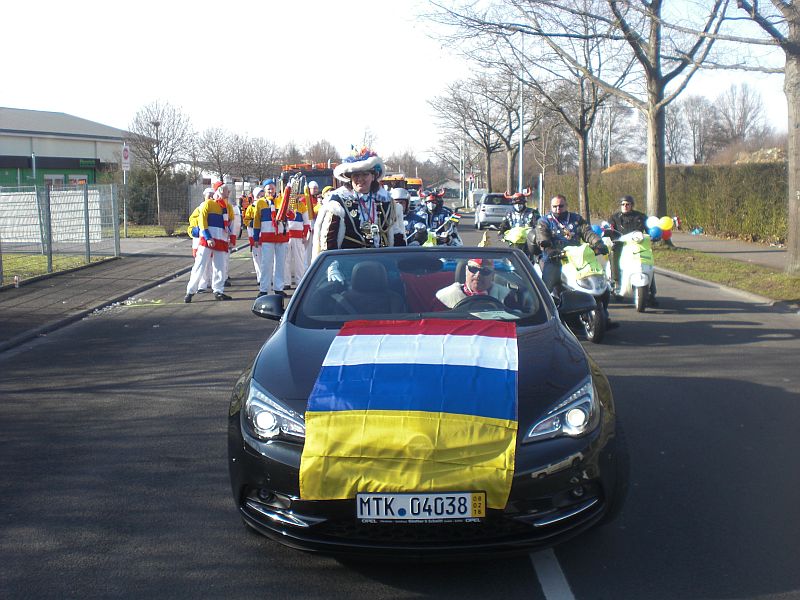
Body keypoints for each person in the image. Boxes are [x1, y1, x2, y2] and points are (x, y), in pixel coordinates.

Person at [313, 146, 405, 258]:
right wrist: (333, 266)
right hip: (349, 263)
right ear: (350, 178)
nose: (360, 179)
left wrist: (402, 259)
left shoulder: (386, 201)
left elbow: (396, 235)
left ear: (373, 176)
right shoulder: (338, 202)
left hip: (382, 262)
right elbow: (329, 242)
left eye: (365, 174)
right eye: (356, 175)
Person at [534, 194, 607, 294]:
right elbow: (542, 237)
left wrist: (598, 243)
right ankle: (549, 300)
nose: (557, 209)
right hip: (555, 258)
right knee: (548, 286)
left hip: (577, 258)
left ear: (566, 205)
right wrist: (548, 249)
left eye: (561, 206)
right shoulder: (544, 221)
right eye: (554, 206)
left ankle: (602, 300)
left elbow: (588, 232)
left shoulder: (576, 219)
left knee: (598, 276)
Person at [184, 183, 234, 302]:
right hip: (208, 240)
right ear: (220, 191)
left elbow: (231, 223)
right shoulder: (208, 204)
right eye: (226, 190)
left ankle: (218, 291)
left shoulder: (228, 207)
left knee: (220, 267)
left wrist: (231, 239)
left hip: (221, 240)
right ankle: (190, 291)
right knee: (200, 265)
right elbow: (202, 222)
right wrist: (208, 237)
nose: (228, 193)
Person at [608, 195, 658, 306]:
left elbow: (649, 229)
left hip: (638, 245)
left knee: (647, 262)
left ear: (632, 205)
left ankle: (651, 291)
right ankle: (616, 283)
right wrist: (611, 235)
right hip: (621, 245)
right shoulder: (614, 217)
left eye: (627, 204)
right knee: (614, 252)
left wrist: (654, 236)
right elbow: (610, 229)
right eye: (623, 204)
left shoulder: (640, 217)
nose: (625, 206)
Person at [253, 179, 294, 297]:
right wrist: (256, 237)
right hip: (267, 237)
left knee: (280, 264)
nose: (270, 191)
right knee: (266, 263)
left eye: (272, 188)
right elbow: (256, 221)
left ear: (275, 188)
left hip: (281, 236)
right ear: (264, 190)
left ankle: (278, 288)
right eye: (268, 189)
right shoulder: (260, 203)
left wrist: (288, 212)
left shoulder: (282, 200)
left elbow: (292, 216)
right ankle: (264, 289)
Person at [435, 258, 510, 308]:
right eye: (473, 269)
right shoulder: (444, 297)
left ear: (492, 275)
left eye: (485, 271)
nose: (478, 275)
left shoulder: (506, 297)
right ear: (466, 271)